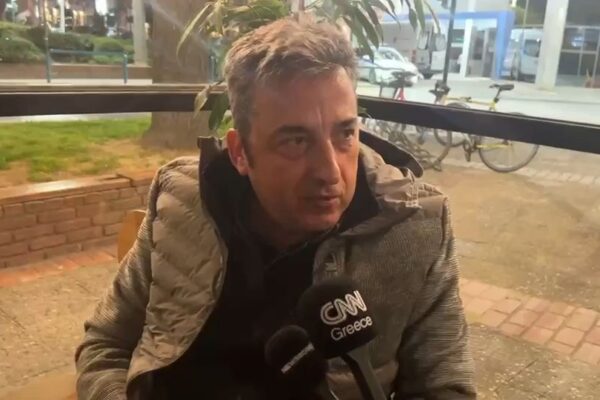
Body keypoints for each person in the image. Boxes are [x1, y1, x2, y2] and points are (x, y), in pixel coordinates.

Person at [75, 16, 476, 400]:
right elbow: (106, 343)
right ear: (240, 153)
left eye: (345, 134)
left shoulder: (417, 226)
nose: (329, 172)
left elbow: (444, 390)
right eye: (295, 141)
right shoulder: (182, 199)